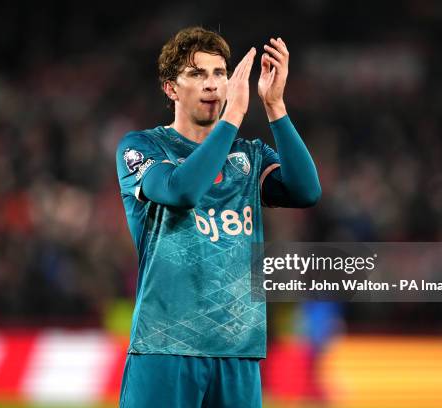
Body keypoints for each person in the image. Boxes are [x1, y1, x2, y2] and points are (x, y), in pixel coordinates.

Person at [116, 26, 321, 408]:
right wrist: (234, 116)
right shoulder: (142, 147)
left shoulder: (249, 155)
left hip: (237, 351)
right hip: (165, 347)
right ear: (171, 88)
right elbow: (181, 190)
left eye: (219, 73)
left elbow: (306, 191)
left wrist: (275, 106)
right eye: (197, 74)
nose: (211, 83)